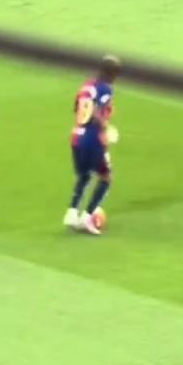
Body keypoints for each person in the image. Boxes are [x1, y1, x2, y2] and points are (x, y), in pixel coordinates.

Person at [63, 56, 120, 235]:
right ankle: (87, 218)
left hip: (76, 137)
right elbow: (96, 109)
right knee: (105, 178)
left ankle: (72, 213)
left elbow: (77, 108)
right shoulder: (105, 89)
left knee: (84, 176)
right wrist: (105, 127)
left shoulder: (86, 86)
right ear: (112, 74)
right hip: (92, 140)